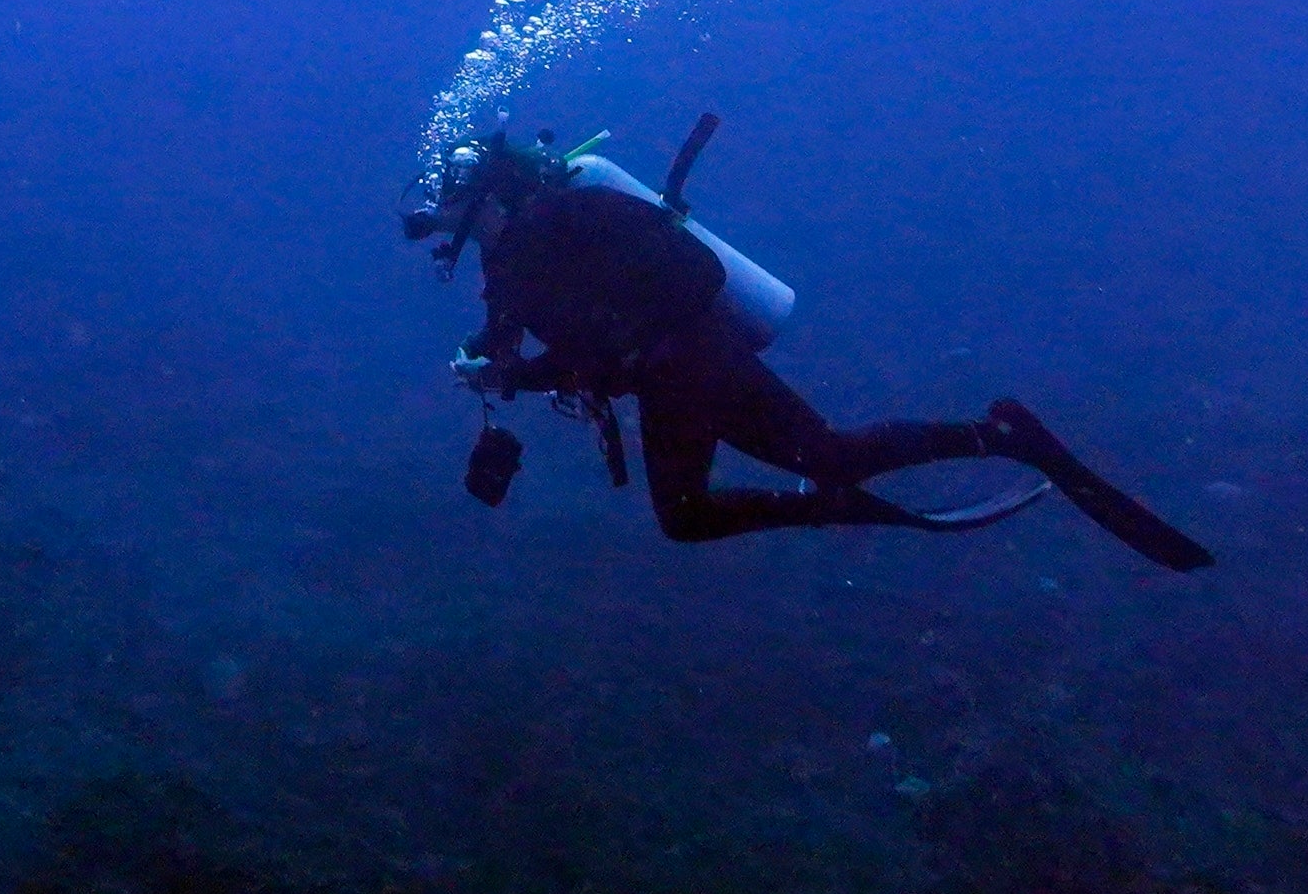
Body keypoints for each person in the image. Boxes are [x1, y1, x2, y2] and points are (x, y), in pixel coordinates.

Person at [402, 128, 1212, 570]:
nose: (440, 232)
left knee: (802, 468)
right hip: (672, 375)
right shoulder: (514, 259)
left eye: (443, 214)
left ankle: (985, 440)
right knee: (723, 502)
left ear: (481, 199)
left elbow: (616, 325)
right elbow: (548, 341)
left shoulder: (544, 232)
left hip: (691, 361)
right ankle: (956, 451)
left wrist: (518, 369)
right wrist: (496, 364)